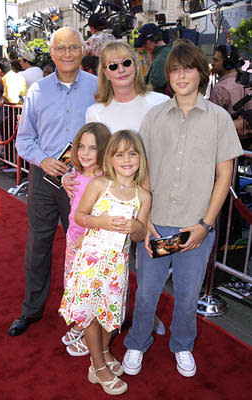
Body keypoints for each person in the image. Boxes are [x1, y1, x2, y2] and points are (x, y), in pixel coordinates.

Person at [122, 39, 243, 378]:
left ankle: (183, 345)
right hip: (157, 225)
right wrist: (144, 222)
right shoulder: (154, 116)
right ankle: (136, 342)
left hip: (195, 228)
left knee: (188, 297)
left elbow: (224, 175)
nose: (181, 75)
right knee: (146, 292)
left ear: (200, 72)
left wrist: (205, 225)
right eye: (174, 69)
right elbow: (141, 171)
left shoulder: (219, 119)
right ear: (168, 74)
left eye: (188, 68)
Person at [64, 40, 169, 339]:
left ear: (137, 66)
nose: (120, 69)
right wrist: (68, 176)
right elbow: (88, 156)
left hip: (152, 197)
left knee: (150, 265)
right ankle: (103, 318)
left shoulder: (160, 102)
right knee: (113, 266)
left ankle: (146, 314)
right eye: (112, 65)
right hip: (110, 204)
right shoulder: (96, 111)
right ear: (104, 73)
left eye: (126, 62)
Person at [8, 26, 98, 337]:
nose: (67, 54)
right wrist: (43, 160)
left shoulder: (98, 88)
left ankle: (82, 312)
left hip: (84, 182)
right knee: (38, 245)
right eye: (61, 48)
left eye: (73, 47)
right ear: (52, 52)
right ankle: (31, 309)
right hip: (44, 178)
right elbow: (23, 140)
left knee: (84, 247)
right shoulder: (38, 91)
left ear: (83, 50)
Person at [59, 130, 151, 395]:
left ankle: (102, 351)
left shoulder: (143, 196)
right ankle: (97, 366)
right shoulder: (101, 186)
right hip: (90, 261)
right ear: (110, 158)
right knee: (89, 312)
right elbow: (80, 216)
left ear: (140, 159)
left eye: (132, 153)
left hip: (117, 266)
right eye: (119, 153)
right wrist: (104, 222)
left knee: (109, 314)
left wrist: (134, 225)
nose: (126, 159)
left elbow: (141, 233)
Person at [61, 122, 111, 355]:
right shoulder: (75, 173)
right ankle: (82, 324)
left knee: (92, 291)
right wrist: (63, 180)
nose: (85, 153)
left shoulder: (105, 180)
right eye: (81, 146)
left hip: (92, 246)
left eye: (93, 148)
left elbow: (104, 216)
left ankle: (93, 334)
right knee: (74, 286)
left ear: (104, 150)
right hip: (72, 241)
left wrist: (87, 239)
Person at [210, 44, 252, 137]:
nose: (212, 63)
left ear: (227, 64)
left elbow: (213, 125)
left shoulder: (220, 89)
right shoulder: (248, 80)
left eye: (216, 60)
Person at [134, 23, 172, 94]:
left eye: (145, 43)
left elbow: (153, 88)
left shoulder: (160, 60)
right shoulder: (168, 50)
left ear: (155, 39)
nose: (143, 46)